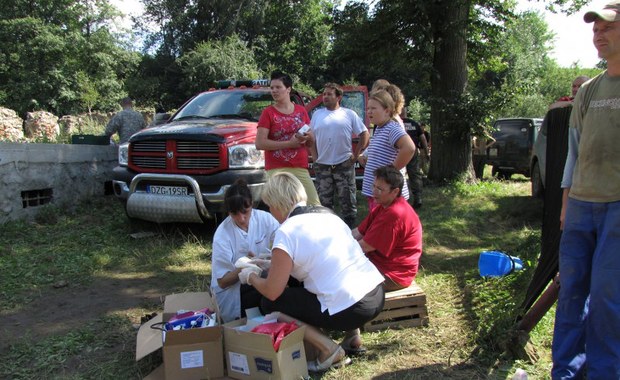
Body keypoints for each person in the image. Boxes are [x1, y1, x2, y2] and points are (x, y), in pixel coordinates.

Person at [239, 172, 385, 372]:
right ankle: (353, 336)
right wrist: (270, 262)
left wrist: (251, 276)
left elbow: (272, 290)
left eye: (270, 205)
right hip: (375, 293)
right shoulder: (328, 215)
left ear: (278, 204)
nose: (270, 211)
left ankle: (329, 349)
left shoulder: (287, 231)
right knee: (334, 276)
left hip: (351, 308)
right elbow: (322, 259)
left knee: (271, 303)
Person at [552, 2, 620, 377]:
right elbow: (572, 157)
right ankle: (565, 371)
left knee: (610, 299)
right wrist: (565, 205)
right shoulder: (589, 91)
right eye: (595, 27)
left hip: (617, 208)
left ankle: (605, 372)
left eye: (608, 26)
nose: (599, 33)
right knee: (572, 293)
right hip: (579, 205)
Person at [210, 179, 279, 323]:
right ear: (228, 212)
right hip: (233, 291)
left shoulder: (265, 219)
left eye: (245, 212)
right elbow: (222, 281)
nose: (241, 219)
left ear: (252, 204)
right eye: (235, 214)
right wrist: (245, 267)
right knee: (272, 298)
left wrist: (267, 261)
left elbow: (284, 244)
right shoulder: (223, 234)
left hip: (259, 279)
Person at [353, 165, 423, 292]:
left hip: (393, 275)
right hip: (380, 265)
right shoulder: (383, 205)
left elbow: (365, 246)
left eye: (379, 189)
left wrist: (335, 252)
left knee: (337, 279)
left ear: (395, 191)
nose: (374, 192)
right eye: (373, 186)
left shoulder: (395, 214)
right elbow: (358, 232)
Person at [255, 71, 321, 206]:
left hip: (299, 166)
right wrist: (289, 143)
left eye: (278, 87)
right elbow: (259, 143)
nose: (274, 90)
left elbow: (309, 141)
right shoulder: (268, 113)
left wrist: (309, 138)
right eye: (272, 87)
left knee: (314, 204)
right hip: (276, 169)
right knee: (281, 208)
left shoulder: (301, 111)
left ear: (288, 89)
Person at [309, 83, 369, 227]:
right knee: (324, 203)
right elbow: (310, 138)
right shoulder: (317, 114)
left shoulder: (348, 114)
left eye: (329, 94)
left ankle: (349, 230)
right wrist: (315, 157)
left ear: (339, 97)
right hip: (323, 165)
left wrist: (356, 155)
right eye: (324, 94)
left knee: (348, 200)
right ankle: (328, 229)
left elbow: (364, 134)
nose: (325, 97)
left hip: (344, 164)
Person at [360, 89, 416, 210]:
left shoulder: (392, 128)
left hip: (387, 195)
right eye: (368, 108)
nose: (369, 111)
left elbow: (409, 148)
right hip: (378, 194)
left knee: (384, 228)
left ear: (387, 110)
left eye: (373, 108)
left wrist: (391, 171)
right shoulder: (380, 128)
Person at [402, 110, 429, 209]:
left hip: (399, 151)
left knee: (397, 173)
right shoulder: (413, 123)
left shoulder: (394, 122)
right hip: (413, 151)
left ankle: (400, 199)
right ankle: (418, 198)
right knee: (414, 174)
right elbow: (423, 139)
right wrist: (426, 152)